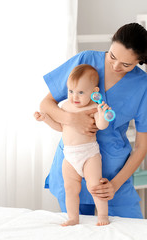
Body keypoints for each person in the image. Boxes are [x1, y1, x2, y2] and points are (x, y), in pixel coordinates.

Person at [40, 22, 147, 219]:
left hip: (114, 173)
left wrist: (114, 185)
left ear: (139, 61)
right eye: (112, 57)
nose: (116, 66)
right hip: (73, 164)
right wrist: (73, 119)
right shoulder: (85, 60)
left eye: (126, 65)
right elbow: (46, 104)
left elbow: (142, 146)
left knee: (133, 230)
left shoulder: (144, 86)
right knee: (78, 230)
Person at [34, 64, 111, 226]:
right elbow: (61, 128)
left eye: (81, 92)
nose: (74, 97)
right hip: (69, 156)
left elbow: (102, 126)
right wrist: (46, 119)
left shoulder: (94, 108)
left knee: (94, 186)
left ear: (94, 92)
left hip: (89, 154)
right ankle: (73, 218)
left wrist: (103, 114)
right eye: (71, 91)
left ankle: (103, 216)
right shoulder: (65, 107)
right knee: (70, 189)